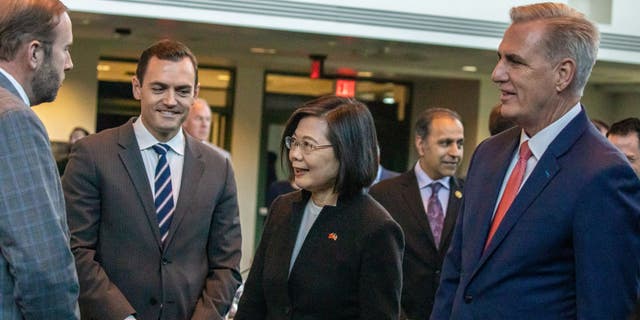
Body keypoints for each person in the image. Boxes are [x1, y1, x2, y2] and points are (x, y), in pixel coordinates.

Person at [432, 3, 640, 319]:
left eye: (515, 62)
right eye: (499, 58)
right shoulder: (488, 154)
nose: (497, 74)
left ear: (563, 74)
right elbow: (456, 273)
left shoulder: (604, 174)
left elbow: (604, 307)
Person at [63, 39, 242, 319]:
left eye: (182, 91)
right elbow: (76, 250)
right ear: (137, 88)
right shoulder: (93, 154)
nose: (170, 101)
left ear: (195, 93)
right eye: (159, 88)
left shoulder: (219, 167)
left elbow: (226, 265)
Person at [235, 95, 404, 319]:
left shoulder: (376, 229)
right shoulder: (283, 208)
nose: (294, 154)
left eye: (308, 145)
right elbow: (253, 302)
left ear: (346, 151)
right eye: (294, 142)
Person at [0, 1, 79, 318]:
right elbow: (43, 267)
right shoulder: (14, 121)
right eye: (65, 49)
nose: (69, 63)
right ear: (34, 53)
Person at [370, 108, 464, 319]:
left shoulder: (471, 195)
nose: (455, 152)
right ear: (421, 144)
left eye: (460, 143)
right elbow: (375, 268)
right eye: (445, 143)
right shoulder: (385, 194)